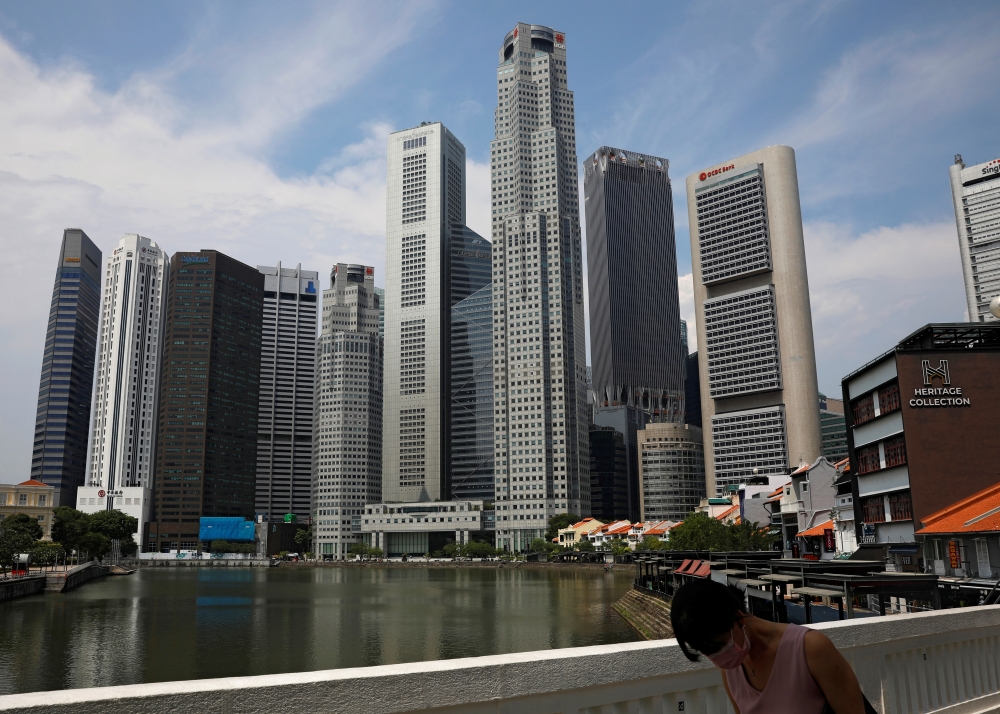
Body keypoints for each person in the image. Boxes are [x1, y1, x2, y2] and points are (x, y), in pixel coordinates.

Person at [670, 578, 871, 714]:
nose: (717, 658)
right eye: (706, 653)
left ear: (738, 619)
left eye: (717, 647)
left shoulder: (810, 648)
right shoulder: (732, 671)